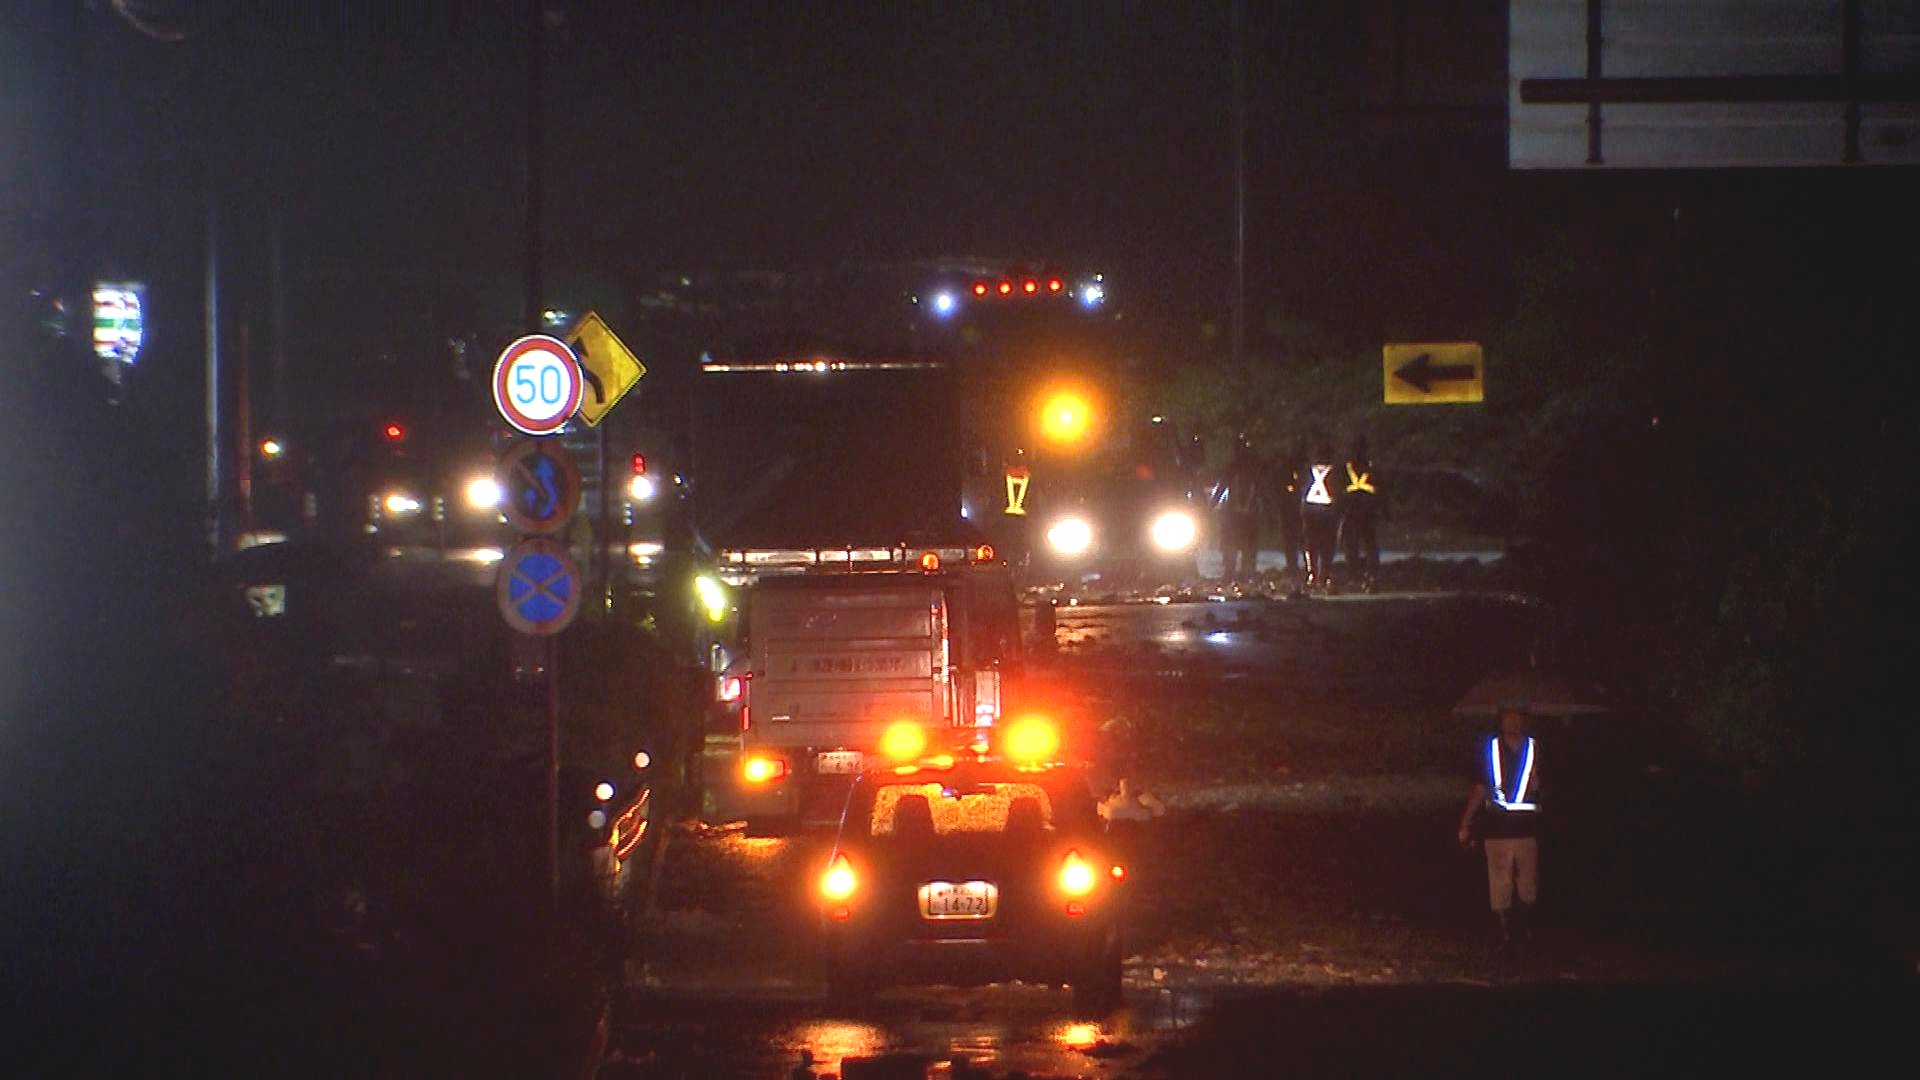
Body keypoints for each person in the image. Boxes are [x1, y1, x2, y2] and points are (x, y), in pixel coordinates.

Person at [1457, 705, 1543, 953]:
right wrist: (1467, 820)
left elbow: (1544, 785)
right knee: (1500, 882)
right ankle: (1506, 934)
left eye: (1518, 717)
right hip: (1497, 829)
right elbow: (1480, 788)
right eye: (1509, 718)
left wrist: (1539, 787)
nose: (1514, 722)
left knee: (1528, 883)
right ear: (1501, 721)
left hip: (1527, 828)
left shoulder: (1534, 748)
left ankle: (1525, 929)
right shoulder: (1489, 750)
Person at [1208, 433, 1265, 584]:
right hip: (1240, 515)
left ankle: (1237, 575)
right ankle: (1239, 574)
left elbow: (1221, 488)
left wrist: (1211, 506)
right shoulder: (1251, 468)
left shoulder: (1240, 468)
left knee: (1236, 546)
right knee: (1239, 547)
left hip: (1239, 515)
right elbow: (1222, 487)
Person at [1298, 436, 1341, 594]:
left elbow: (1300, 489)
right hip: (1327, 510)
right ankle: (1322, 574)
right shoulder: (1337, 472)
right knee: (1326, 544)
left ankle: (1314, 573)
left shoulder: (1307, 471)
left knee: (1311, 544)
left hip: (1311, 509)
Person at [1338, 434, 1381, 593]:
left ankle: (1355, 577)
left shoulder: (1345, 469)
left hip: (1352, 511)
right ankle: (1371, 576)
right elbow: (1380, 491)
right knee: (1369, 545)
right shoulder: (1372, 468)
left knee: (1352, 546)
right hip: (1366, 511)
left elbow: (1338, 491)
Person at [1275, 436, 1306, 582]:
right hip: (1289, 510)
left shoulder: (1304, 469)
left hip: (1301, 510)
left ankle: (1302, 568)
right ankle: (1294, 567)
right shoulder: (1286, 468)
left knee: (1300, 541)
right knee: (1292, 541)